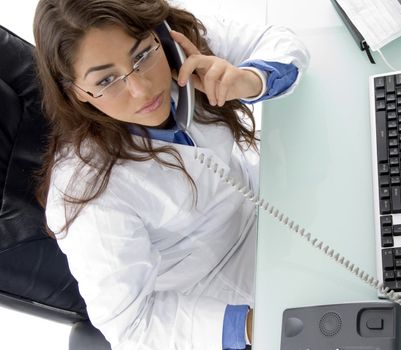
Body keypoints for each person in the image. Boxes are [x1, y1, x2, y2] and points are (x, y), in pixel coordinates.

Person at [33, 0, 309, 349]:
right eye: (106, 80)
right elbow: (131, 325)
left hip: (272, 210)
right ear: (76, 92)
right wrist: (253, 324)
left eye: (140, 56)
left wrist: (250, 79)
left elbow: (279, 39)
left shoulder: (179, 46)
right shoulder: (87, 192)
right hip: (220, 293)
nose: (142, 89)